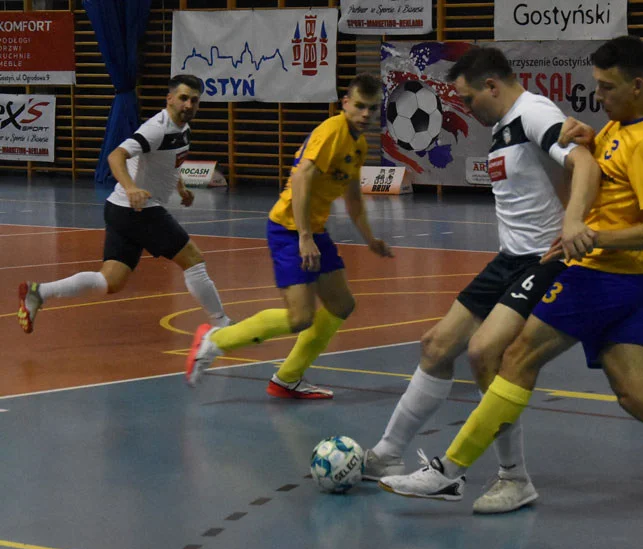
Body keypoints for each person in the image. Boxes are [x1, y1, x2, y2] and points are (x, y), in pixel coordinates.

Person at [379, 36, 643, 530]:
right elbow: (609, 168)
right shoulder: (628, 124)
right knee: (633, 391)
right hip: (628, 282)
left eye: (606, 88)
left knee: (513, 357)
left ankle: (450, 471)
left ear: (637, 84)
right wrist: (594, 135)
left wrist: (588, 230)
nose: (598, 97)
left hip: (601, 275)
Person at [362, 46, 599, 514]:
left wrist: (572, 223)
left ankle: (514, 479)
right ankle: (387, 455)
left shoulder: (533, 113)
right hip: (508, 260)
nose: (466, 109)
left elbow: (585, 164)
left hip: (542, 260)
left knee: (485, 353)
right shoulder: (501, 127)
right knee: (436, 345)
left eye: (470, 99)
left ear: (492, 85)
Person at [184, 73, 394, 399]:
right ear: (346, 104)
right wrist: (305, 237)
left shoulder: (358, 143)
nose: (366, 114)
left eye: (372, 108)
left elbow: (353, 197)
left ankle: (288, 378)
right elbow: (300, 180)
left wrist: (369, 238)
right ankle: (215, 340)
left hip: (313, 230)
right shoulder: (332, 132)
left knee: (340, 304)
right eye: (360, 106)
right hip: (289, 229)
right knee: (300, 318)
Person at [17, 74, 232, 334]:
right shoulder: (156, 129)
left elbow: (167, 162)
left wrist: (180, 187)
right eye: (184, 98)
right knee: (194, 261)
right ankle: (221, 324)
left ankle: (39, 292)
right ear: (170, 98)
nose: (188, 105)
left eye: (194, 101)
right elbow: (116, 156)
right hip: (139, 211)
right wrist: (131, 188)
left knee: (110, 281)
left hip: (121, 211)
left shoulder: (182, 129)